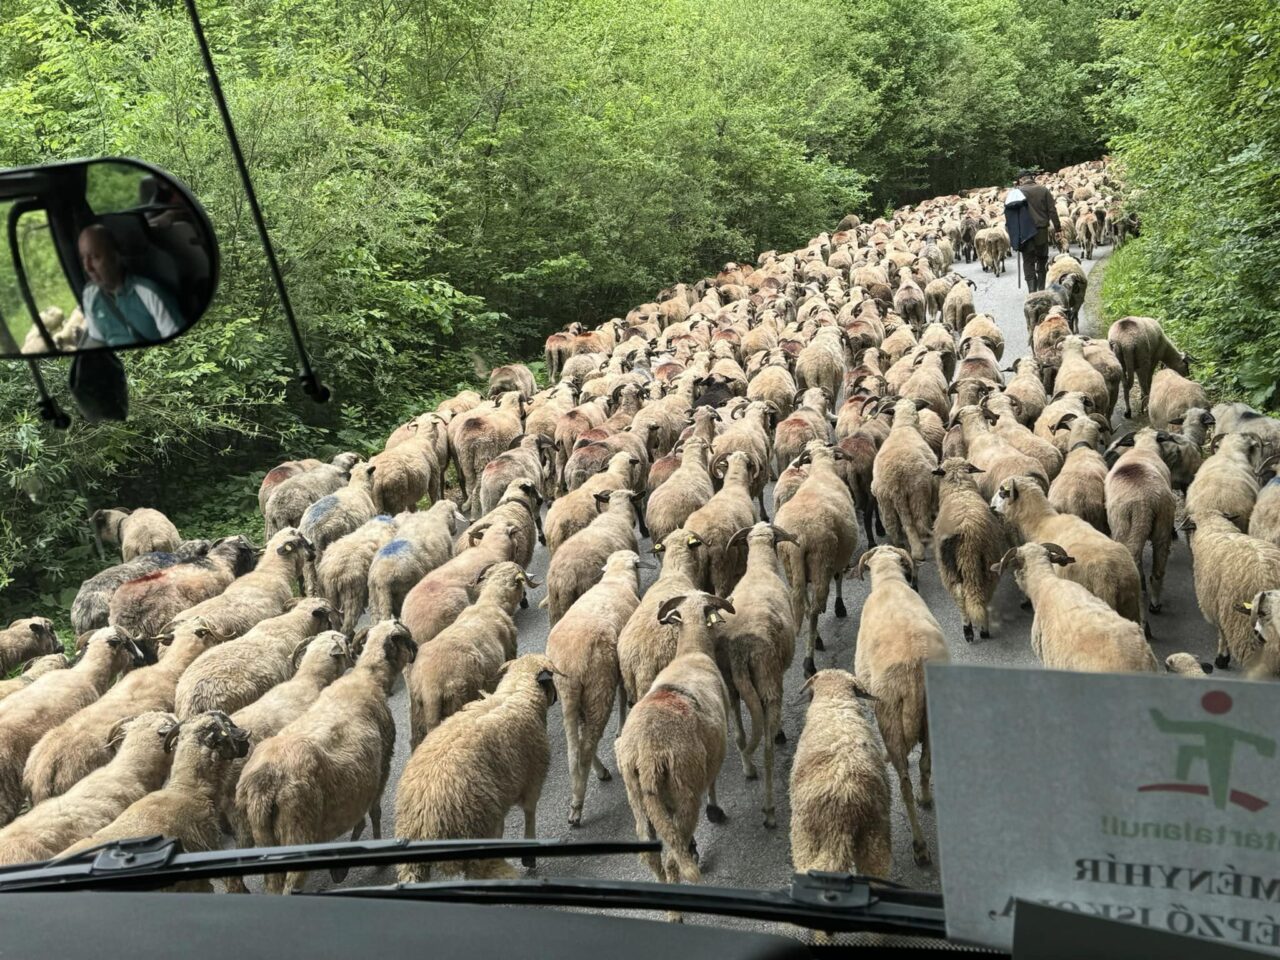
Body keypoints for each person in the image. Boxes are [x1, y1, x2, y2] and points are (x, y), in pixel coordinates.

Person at [77, 224, 183, 347]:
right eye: (83, 258)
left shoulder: (150, 294)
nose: (87, 267)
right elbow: (97, 341)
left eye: (95, 257)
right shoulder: (90, 294)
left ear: (115, 256)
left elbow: (179, 345)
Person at [1004, 170, 1061, 292]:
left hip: (1025, 233)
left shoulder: (1017, 192)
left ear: (1020, 180)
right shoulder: (1043, 190)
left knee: (1028, 260)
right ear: (1032, 178)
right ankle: (1041, 288)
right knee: (1042, 258)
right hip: (1041, 231)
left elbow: (1010, 214)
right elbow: (1052, 210)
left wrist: (1013, 234)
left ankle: (1032, 291)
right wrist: (1058, 228)